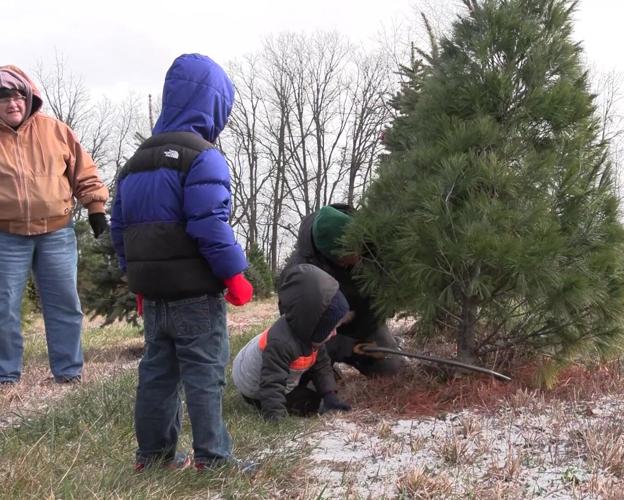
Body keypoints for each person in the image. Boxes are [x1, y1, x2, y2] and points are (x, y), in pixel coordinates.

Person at [110, 54, 254, 472]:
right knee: (204, 374)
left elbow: (120, 228)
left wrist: (135, 279)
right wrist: (234, 274)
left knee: (157, 374)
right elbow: (209, 223)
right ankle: (214, 458)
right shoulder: (202, 156)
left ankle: (152, 457)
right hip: (196, 293)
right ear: (213, 106)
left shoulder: (135, 162)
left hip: (154, 294)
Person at [0, 65, 109, 385]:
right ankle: (5, 374)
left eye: (18, 96)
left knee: (64, 303)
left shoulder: (56, 131)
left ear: (29, 97)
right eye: (3, 98)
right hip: (7, 236)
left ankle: (68, 372)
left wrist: (96, 208)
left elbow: (83, 171)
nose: (12, 103)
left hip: (56, 233)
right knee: (4, 307)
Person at [285, 204, 406, 377]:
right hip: (324, 337)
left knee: (392, 369)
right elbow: (298, 329)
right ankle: (324, 372)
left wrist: (387, 302)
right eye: (347, 258)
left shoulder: (370, 235)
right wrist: (347, 347)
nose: (357, 259)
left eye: (358, 251)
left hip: (366, 324)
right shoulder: (299, 272)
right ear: (329, 255)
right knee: (312, 384)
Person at [233, 264, 352, 421]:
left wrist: (329, 395)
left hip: (280, 371)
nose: (335, 333)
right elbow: (272, 384)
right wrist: (276, 418)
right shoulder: (281, 343)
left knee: (321, 381)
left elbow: (321, 365)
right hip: (255, 385)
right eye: (331, 329)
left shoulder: (311, 335)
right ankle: (259, 404)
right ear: (316, 326)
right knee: (308, 403)